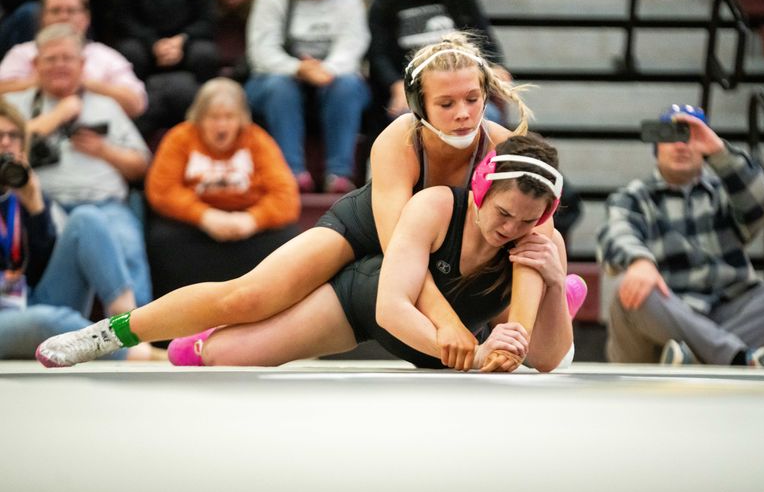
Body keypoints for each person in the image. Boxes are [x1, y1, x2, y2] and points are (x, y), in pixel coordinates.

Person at [34, 32, 575, 370]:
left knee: (517, 248)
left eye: (474, 99)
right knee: (247, 297)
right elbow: (394, 247)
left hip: (440, 244)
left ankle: (549, 308)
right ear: (418, 103)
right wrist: (449, 328)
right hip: (372, 229)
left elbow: (534, 232)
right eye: (447, 102)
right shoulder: (398, 140)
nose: (463, 114)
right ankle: (107, 332)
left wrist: (526, 320)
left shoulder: (502, 150)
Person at [38, 133, 576, 371]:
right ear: (479, 190)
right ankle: (110, 332)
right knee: (247, 297)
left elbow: (544, 358)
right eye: (502, 214)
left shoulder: (532, 223)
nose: (511, 228)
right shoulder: (417, 168)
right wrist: (468, 349)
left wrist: (551, 284)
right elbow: (394, 303)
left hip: (421, 282)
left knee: (224, 355)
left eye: (528, 221)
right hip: (375, 253)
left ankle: (198, 345)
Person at [597, 104, 764, 368]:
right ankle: (739, 358)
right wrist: (640, 261)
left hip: (731, 310)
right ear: (657, 146)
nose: (681, 145)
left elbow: (762, 202)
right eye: (671, 135)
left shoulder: (725, 192)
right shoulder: (633, 196)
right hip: (665, 319)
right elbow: (616, 232)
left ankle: (695, 357)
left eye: (691, 135)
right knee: (633, 292)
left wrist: (720, 151)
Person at [3, 23, 153, 306]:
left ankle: (140, 335)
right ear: (35, 64)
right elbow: (5, 146)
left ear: (82, 64)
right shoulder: (15, 105)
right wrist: (57, 116)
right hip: (42, 207)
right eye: (51, 59)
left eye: (67, 58)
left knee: (127, 244)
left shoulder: (106, 105)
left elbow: (141, 165)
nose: (60, 65)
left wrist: (105, 151)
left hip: (105, 203)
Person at [0, 97, 159, 361]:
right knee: (47, 321)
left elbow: (41, 269)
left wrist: (37, 208)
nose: (6, 142)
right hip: (12, 318)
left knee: (87, 218)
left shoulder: (27, 194)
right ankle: (133, 353)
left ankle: (131, 327)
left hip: (30, 301)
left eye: (13, 135)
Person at [145, 77, 301, 295]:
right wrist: (204, 216)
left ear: (241, 119)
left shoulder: (257, 140)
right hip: (197, 225)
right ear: (199, 118)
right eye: (213, 117)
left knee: (288, 237)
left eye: (229, 117)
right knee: (162, 238)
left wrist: (252, 219)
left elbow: (285, 197)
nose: (221, 125)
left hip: (246, 225)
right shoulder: (179, 138)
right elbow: (162, 191)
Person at [245, 0, 371, 192]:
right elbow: (262, 52)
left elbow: (352, 49)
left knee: (348, 85)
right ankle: (292, 173)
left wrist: (325, 70)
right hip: (275, 80)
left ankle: (339, 175)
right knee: (280, 87)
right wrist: (299, 69)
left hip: (330, 80)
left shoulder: (350, 1)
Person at [367, 0, 510, 126]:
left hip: (460, 82)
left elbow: (483, 37)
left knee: (490, 115)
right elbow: (378, 54)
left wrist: (495, 65)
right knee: (408, 119)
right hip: (412, 89)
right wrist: (395, 84)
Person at [0, 0, 148, 118]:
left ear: (86, 18)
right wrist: (42, 82)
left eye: (71, 11)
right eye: (56, 11)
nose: (64, 17)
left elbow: (137, 105)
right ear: (42, 18)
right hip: (28, 132)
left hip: (95, 136)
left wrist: (86, 83)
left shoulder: (105, 55)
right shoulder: (21, 53)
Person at [113, 0, 221, 138]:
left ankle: (208, 117)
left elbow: (207, 17)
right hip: (145, 43)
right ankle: (133, 125)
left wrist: (182, 40)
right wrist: (153, 43)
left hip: (185, 42)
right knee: (130, 52)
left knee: (205, 54)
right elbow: (123, 17)